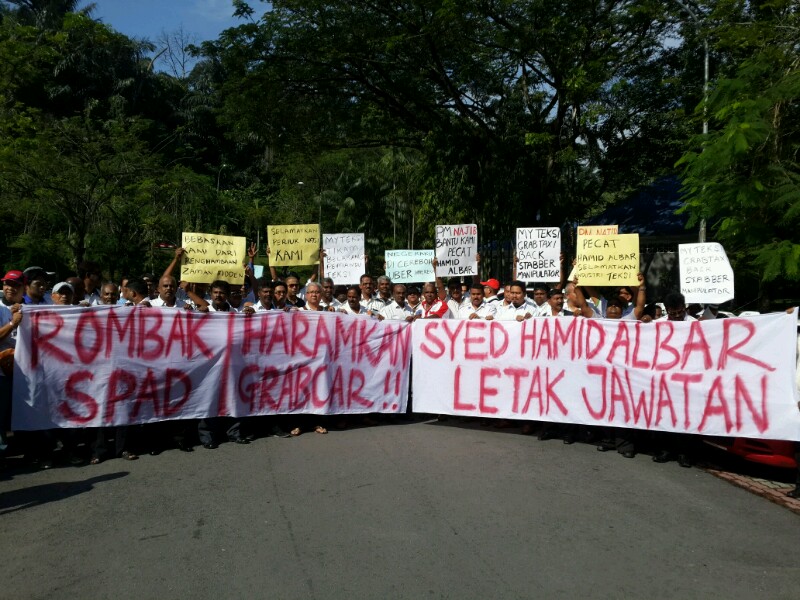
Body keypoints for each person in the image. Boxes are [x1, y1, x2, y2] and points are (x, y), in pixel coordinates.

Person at [0, 271, 24, 459]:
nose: (10, 288)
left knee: (23, 413)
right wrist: (12, 324)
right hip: (2, 371)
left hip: (25, 372)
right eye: (7, 284)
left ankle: (24, 451)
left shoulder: (29, 308)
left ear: (23, 288)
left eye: (15, 285)